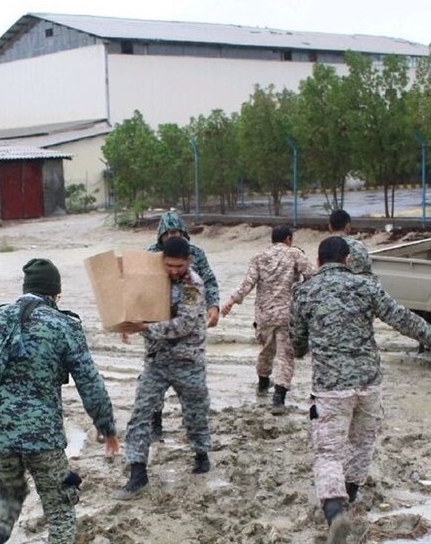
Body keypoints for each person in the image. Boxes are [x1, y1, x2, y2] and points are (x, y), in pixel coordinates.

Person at [289, 236, 431, 544]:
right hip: (369, 384)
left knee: (329, 452)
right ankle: (352, 495)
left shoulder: (304, 291)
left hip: (330, 388)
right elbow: (402, 318)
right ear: (347, 260)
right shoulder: (366, 287)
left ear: (318, 262)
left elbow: (297, 341)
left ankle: (334, 512)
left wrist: (305, 347)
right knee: (361, 444)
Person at [0, 258, 119, 544]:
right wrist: (106, 427)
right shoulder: (65, 326)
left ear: (26, 288)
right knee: (60, 506)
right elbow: (90, 382)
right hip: (44, 438)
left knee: (7, 499)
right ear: (56, 294)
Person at [114, 236, 212, 500]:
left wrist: (145, 328)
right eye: (169, 265)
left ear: (189, 261)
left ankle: (201, 453)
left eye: (179, 266)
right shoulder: (152, 278)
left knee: (195, 413)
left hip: (187, 360)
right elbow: (136, 302)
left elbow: (184, 325)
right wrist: (127, 323)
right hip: (156, 361)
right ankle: (137, 472)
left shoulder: (193, 285)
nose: (174, 271)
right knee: (140, 413)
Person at [220, 226, 315, 414]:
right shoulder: (295, 254)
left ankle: (263, 383)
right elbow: (312, 276)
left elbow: (247, 284)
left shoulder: (258, 257)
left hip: (264, 315)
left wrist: (231, 301)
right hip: (288, 314)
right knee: (285, 356)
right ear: (288, 239)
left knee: (266, 351)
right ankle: (279, 397)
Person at [146, 210, 220, 440]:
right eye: (167, 233)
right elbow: (138, 287)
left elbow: (209, 280)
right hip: (158, 324)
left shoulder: (195, 254)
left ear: (184, 233)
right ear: (160, 235)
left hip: (188, 326)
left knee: (192, 382)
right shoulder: (150, 256)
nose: (171, 236)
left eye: (176, 232)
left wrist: (214, 305)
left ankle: (195, 431)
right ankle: (155, 423)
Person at [328, 209, 373, 275]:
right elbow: (368, 271)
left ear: (330, 226)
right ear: (348, 226)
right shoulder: (359, 246)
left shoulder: (325, 247)